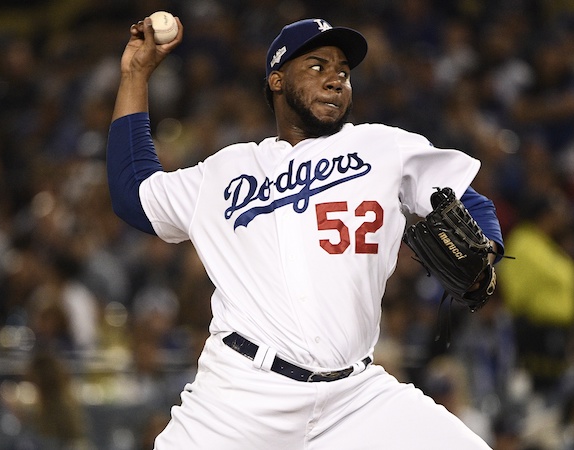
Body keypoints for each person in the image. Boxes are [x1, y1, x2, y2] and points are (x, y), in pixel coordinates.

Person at [106, 15, 505, 449]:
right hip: (241, 395)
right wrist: (135, 74)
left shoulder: (384, 147)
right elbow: (133, 193)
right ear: (277, 80)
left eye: (344, 72)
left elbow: (470, 202)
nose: (335, 79)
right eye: (317, 66)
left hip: (355, 397)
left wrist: (486, 251)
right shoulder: (224, 171)